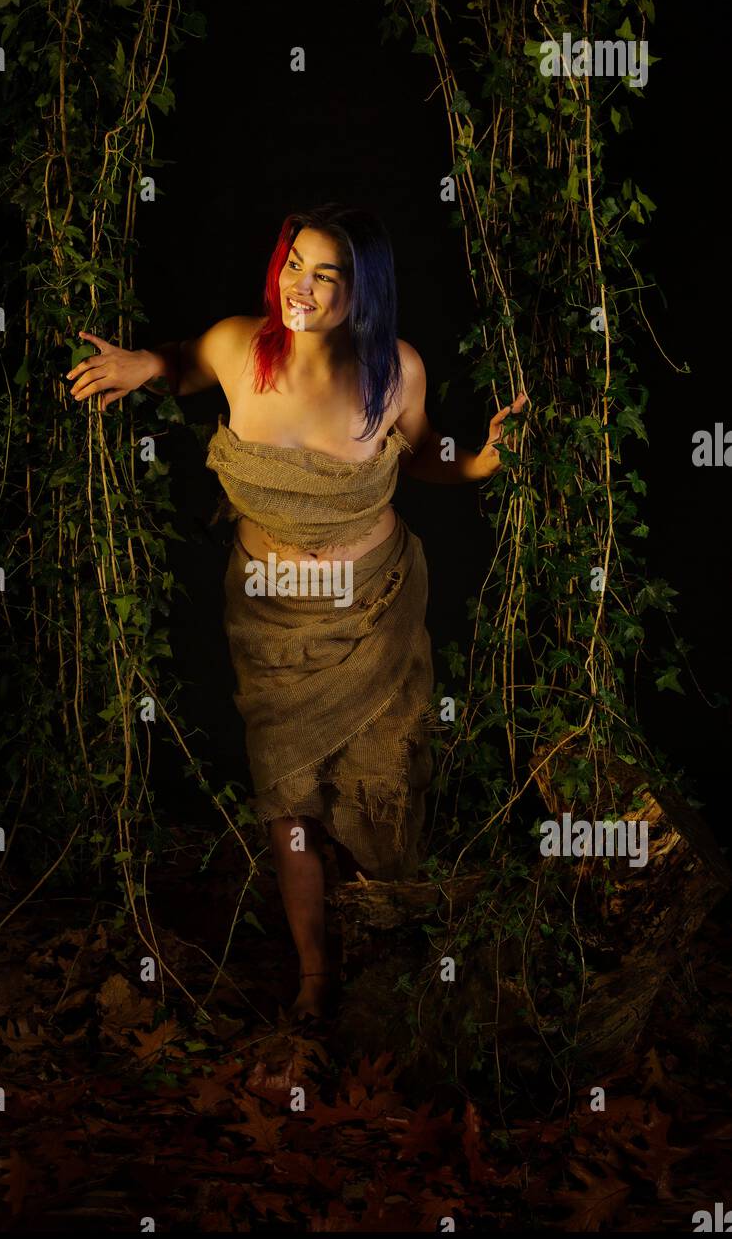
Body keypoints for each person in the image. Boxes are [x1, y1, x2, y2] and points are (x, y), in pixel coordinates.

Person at [66, 204, 526, 1021]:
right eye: (292, 264)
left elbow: (422, 455)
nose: (300, 287)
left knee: (381, 786)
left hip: (373, 614)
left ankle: (395, 957)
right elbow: (180, 364)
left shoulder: (397, 370)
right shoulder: (238, 347)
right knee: (290, 800)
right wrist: (142, 364)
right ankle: (316, 976)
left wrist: (484, 459)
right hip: (273, 622)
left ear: (365, 289)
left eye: (326, 274)